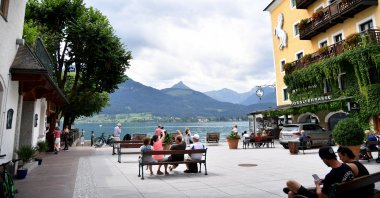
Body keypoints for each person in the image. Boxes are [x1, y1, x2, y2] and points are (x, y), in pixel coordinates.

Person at [283, 146, 354, 198]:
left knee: (290, 183)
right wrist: (325, 181)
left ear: (325, 159)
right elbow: (337, 178)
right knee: (290, 192)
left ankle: (295, 190)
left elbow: (321, 196)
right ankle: (294, 190)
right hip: (340, 193)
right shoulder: (347, 167)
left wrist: (317, 185)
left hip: (320, 196)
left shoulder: (331, 176)